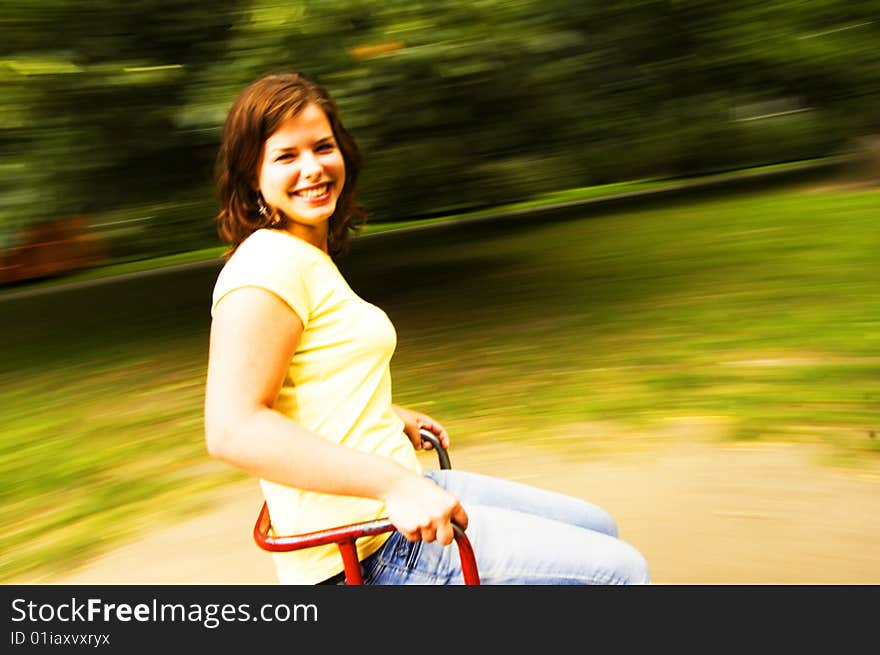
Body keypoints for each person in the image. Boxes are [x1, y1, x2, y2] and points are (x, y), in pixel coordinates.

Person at [204, 71, 650, 585]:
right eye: (286, 156)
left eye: (323, 147)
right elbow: (233, 429)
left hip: (394, 496)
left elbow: (307, 384)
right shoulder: (267, 267)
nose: (313, 168)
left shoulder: (303, 256)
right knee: (620, 574)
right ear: (251, 176)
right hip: (368, 546)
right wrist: (395, 486)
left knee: (599, 527)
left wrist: (384, 413)